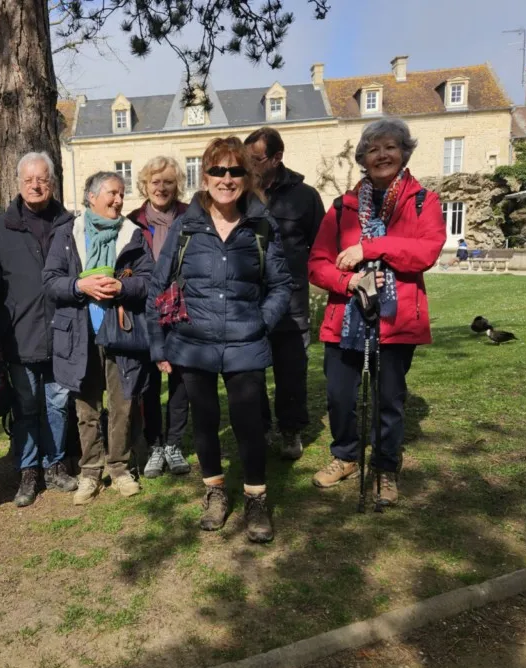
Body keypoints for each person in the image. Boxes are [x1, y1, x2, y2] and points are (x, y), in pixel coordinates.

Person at [147, 137, 292, 543]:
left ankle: (256, 498)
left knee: (249, 424)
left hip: (245, 342)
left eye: (235, 171)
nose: (226, 179)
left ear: (247, 177)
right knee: (205, 422)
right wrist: (158, 344)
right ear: (205, 176)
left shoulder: (261, 225)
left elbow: (281, 285)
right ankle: (214, 492)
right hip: (193, 343)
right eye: (218, 170)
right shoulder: (186, 226)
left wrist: (260, 322)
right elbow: (157, 286)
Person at [308, 118, 444, 506]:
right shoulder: (342, 207)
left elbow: (426, 252)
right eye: (373, 149)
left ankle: (385, 466)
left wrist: (370, 248)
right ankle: (345, 456)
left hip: (394, 321)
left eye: (390, 147)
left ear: (404, 152)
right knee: (339, 395)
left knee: (388, 400)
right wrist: (348, 280)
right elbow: (316, 263)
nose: (382, 155)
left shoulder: (423, 202)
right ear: (363, 158)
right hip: (344, 318)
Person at [43, 171, 153, 505]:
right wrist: (79, 285)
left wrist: (123, 286)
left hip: (120, 332)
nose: (119, 200)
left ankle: (119, 469)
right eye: (112, 193)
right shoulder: (68, 234)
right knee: (86, 408)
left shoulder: (132, 234)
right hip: (79, 334)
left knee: (122, 405)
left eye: (122, 193)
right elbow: (50, 281)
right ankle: (90, 472)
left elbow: (149, 281)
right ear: (92, 197)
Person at [0, 152, 78, 508]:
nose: (35, 185)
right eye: (28, 180)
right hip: (19, 334)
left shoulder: (68, 225)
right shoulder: (0, 228)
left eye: (42, 179)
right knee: (25, 405)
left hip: (62, 333)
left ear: (52, 182)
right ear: (18, 183)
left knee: (58, 403)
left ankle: (55, 464)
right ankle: (28, 470)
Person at [244, 128, 325, 461]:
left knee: (291, 372)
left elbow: (322, 247)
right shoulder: (240, 193)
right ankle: (260, 427)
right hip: (249, 301)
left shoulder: (305, 196)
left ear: (277, 158)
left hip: (291, 303)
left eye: (255, 159)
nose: (249, 165)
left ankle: (290, 430)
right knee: (249, 371)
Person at [126, 156, 191, 479]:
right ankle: (154, 444)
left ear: (177, 185)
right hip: (145, 311)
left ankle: (174, 444)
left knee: (181, 380)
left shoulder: (191, 216)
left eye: (168, 182)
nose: (161, 188)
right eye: (155, 182)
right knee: (149, 383)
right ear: (144, 185)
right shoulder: (133, 222)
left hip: (183, 311)